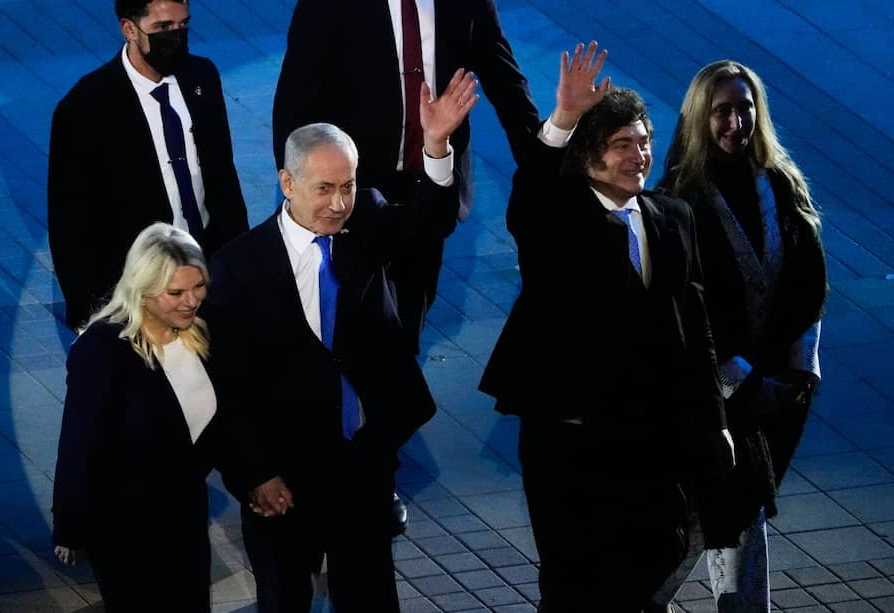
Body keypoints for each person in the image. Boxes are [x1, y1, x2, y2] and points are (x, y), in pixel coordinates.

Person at [206, 70, 478, 612]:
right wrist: (253, 475)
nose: (338, 203)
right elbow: (225, 386)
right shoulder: (238, 267)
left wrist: (436, 145)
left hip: (363, 465)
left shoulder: (368, 221)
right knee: (285, 601)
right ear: (287, 183)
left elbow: (431, 222)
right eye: (324, 189)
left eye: (347, 186)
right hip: (283, 480)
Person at [478, 42, 734, 612]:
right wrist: (564, 116)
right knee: (573, 580)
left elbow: (696, 327)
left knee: (659, 550)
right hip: (571, 440)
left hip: (649, 436)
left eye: (644, 142)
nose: (639, 157)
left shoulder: (672, 217)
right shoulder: (556, 218)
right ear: (590, 154)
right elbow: (531, 190)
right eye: (622, 145)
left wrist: (714, 421)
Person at [272, 0, 542, 532]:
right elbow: (296, 101)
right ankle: (341, 462)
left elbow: (505, 81)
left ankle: (376, 456)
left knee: (403, 336)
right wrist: (307, 200)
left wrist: (546, 160)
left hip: (431, 191)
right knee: (346, 337)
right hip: (351, 201)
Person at [648, 60, 827, 613]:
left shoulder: (781, 185)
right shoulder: (679, 200)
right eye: (721, 111)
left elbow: (809, 284)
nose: (735, 123)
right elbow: (682, 311)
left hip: (777, 393)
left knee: (738, 512)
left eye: (744, 109)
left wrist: (798, 374)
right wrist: (740, 382)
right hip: (712, 396)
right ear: (700, 118)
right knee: (706, 515)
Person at [47, 0, 249, 331]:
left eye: (183, 25)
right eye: (163, 28)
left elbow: (224, 179)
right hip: (139, 291)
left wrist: (241, 263)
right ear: (129, 29)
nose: (177, 36)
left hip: (208, 276)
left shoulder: (202, 78)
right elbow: (70, 225)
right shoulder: (86, 107)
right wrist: (91, 317)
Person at [51, 223, 223, 611]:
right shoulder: (102, 350)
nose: (191, 301)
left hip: (185, 519)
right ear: (142, 290)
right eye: (175, 293)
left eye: (198, 287)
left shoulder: (202, 334)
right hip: (124, 527)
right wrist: (69, 528)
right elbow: (79, 446)